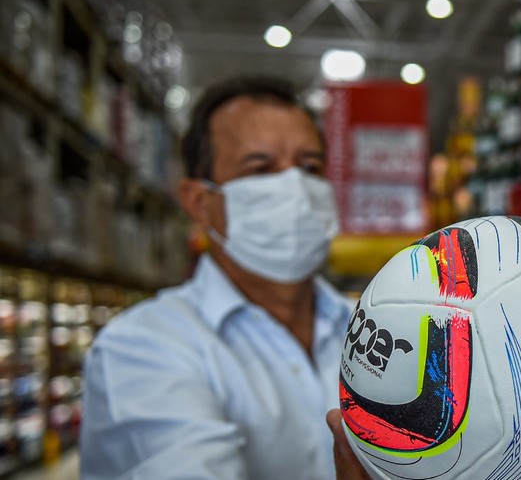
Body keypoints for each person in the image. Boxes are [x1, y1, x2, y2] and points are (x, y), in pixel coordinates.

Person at [80, 75, 354, 479]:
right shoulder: (142, 347)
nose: (295, 189)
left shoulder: (374, 329)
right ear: (200, 203)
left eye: (309, 167)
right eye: (260, 169)